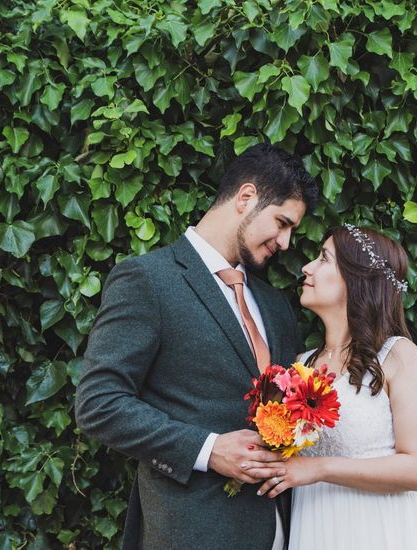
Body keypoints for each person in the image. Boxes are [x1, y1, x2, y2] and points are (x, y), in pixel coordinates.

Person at [75, 143, 319, 550]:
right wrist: (208, 449)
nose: (287, 242)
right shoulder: (147, 281)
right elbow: (99, 403)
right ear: (246, 197)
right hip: (190, 531)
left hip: (282, 532)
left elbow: (305, 399)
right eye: (282, 222)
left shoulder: (275, 306)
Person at [257, 224, 417, 550]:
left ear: (355, 279)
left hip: (383, 530)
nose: (307, 267)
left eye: (324, 259)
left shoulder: (398, 355)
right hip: (316, 528)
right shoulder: (300, 367)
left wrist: (318, 468)